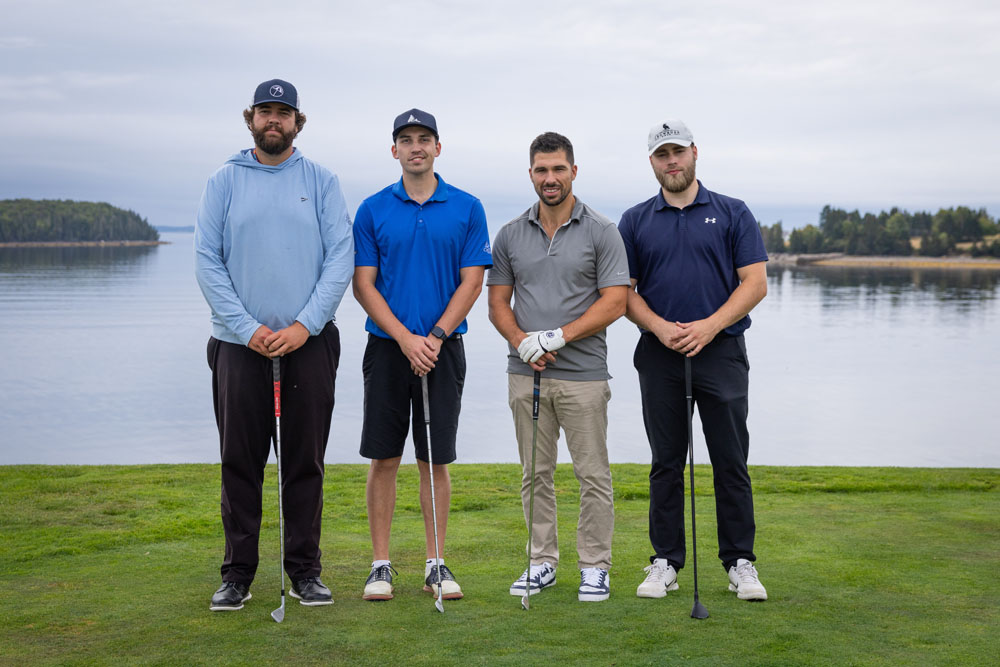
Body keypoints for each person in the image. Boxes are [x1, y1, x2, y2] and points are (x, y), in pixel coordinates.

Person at [195, 79, 354, 611]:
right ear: (251, 119)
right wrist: (248, 329)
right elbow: (207, 262)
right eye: (265, 111)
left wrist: (305, 325)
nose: (273, 120)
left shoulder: (321, 181)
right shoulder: (223, 181)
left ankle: (305, 571)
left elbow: (340, 258)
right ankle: (237, 575)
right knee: (239, 462)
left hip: (309, 344)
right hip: (238, 346)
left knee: (304, 462)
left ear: (296, 123)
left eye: (283, 113)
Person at [618, 119, 769, 601]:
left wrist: (709, 326)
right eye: (662, 154)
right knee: (666, 462)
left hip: (722, 352)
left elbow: (755, 283)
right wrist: (660, 327)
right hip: (659, 354)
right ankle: (664, 561)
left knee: (731, 460)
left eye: (678, 151)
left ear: (694, 153)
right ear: (652, 162)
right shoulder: (635, 220)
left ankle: (740, 562)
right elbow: (623, 292)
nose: (672, 161)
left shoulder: (732, 212)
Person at [353, 108, 492, 602]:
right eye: (407, 140)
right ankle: (380, 565)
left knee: (435, 459)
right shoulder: (372, 209)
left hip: (443, 349)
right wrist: (406, 339)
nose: (416, 147)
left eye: (424, 139)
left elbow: (472, 282)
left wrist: (433, 336)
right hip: (388, 349)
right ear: (394, 150)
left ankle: (436, 563)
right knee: (384, 457)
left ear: (438, 147)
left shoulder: (467, 207)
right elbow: (364, 285)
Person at [487, 132, 629, 602]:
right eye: (542, 170)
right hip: (525, 373)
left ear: (573, 171)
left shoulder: (602, 231)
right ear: (531, 174)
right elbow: (498, 304)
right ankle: (541, 562)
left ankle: (595, 567)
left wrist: (557, 336)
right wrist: (521, 342)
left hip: (584, 375)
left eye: (558, 169)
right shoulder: (510, 234)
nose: (550, 178)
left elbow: (615, 302)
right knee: (535, 473)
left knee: (593, 475)